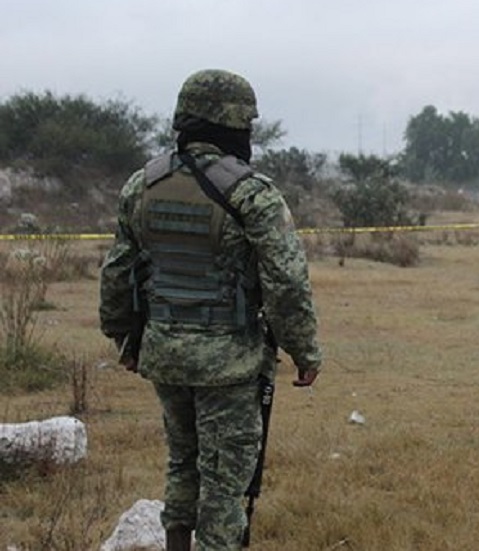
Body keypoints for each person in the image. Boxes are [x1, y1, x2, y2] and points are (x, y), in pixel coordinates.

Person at [99, 69, 323, 550]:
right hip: (230, 364)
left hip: (165, 355)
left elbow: (118, 272)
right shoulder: (251, 193)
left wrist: (125, 340)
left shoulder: (143, 185)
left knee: (183, 462)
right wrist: (304, 351)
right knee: (224, 482)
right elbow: (286, 281)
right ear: (235, 123)